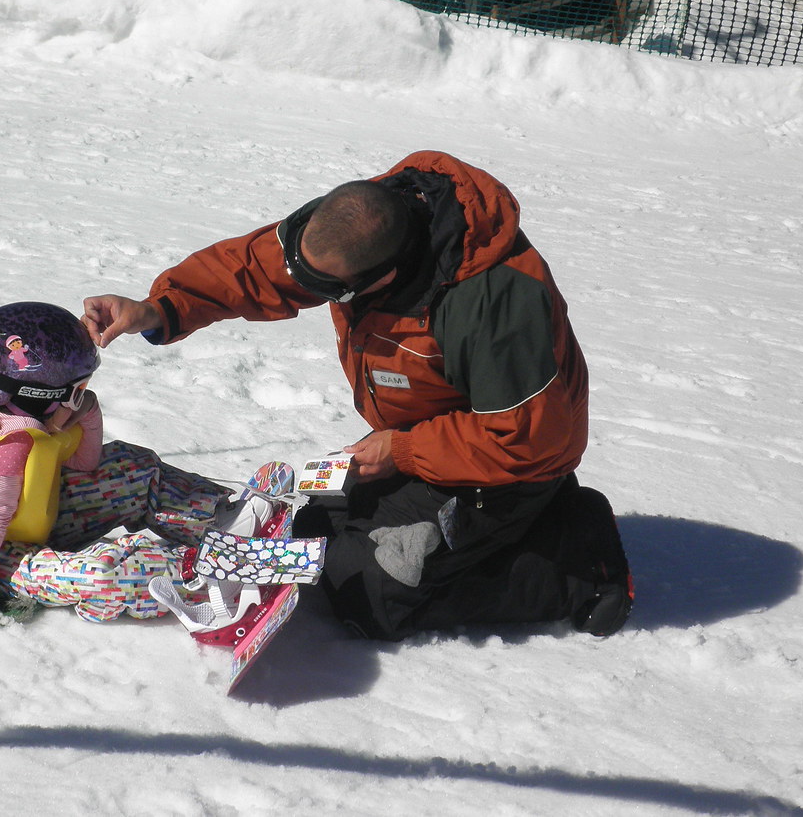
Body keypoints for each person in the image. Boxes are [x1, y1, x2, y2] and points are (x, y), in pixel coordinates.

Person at [81, 150, 633, 642]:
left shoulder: (493, 305)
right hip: (429, 439)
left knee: (366, 591)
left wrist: (402, 451)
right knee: (315, 531)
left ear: (387, 273)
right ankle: (516, 529)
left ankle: (579, 560)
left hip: (509, 460)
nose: (314, 296)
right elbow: (254, 267)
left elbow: (527, 438)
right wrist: (159, 308)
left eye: (332, 292)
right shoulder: (358, 221)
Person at [0, 301, 235, 629]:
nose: (82, 395)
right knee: (102, 576)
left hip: (34, 516)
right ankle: (200, 571)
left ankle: (220, 515)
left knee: (131, 467)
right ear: (37, 395)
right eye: (77, 390)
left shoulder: (20, 417)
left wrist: (86, 407)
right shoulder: (10, 445)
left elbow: (87, 465)